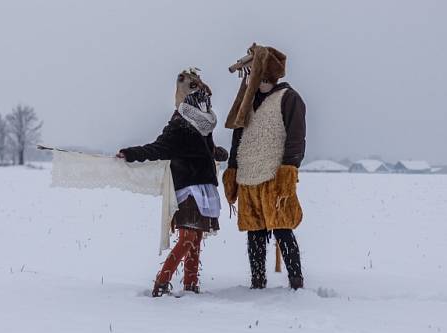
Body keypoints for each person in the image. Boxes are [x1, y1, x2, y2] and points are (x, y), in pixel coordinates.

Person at [118, 68, 228, 297]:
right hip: (186, 185)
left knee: (196, 236)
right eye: (199, 94)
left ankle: (190, 284)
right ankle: (162, 281)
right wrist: (131, 153)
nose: (204, 99)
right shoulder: (179, 121)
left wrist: (215, 152)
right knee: (187, 236)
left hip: (205, 184)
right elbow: (159, 147)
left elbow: (204, 148)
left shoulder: (205, 123)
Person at [222, 44, 306, 290]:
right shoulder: (248, 102)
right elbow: (238, 138)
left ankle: (296, 282)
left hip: (273, 176)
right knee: (255, 233)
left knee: (282, 229)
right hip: (248, 177)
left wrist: (288, 169)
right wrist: (232, 169)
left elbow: (295, 138)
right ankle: (257, 281)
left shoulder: (289, 98)